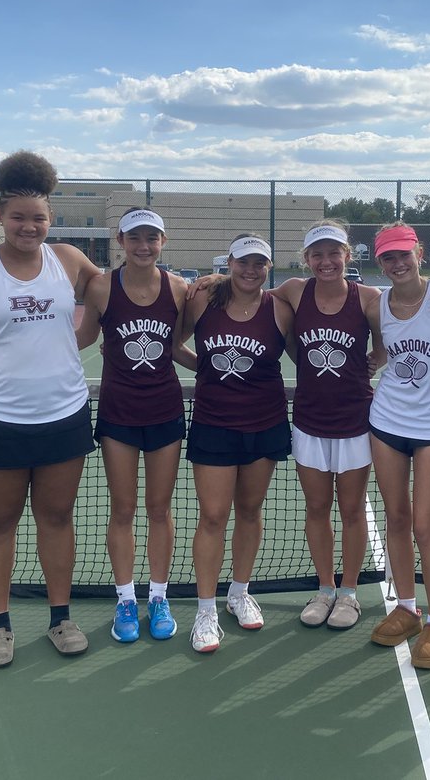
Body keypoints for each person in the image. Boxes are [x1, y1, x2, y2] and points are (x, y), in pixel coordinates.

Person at [0, 151, 102, 668]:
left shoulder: (69, 260)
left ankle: (61, 619)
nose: (28, 227)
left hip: (64, 416)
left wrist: (195, 287)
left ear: (50, 219)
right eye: (18, 217)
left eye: (38, 218)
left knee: (56, 518)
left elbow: (117, 294)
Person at [76, 207, 190, 643]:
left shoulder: (179, 288)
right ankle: (125, 599)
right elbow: (85, 337)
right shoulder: (101, 287)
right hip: (118, 415)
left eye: (152, 238)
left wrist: (217, 373)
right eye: (135, 237)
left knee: (160, 510)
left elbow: (174, 345)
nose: (144, 246)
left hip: (165, 412)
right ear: (120, 241)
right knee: (122, 510)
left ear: (163, 241)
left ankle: (158, 597)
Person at [178, 234, 294, 653]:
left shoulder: (280, 308)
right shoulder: (202, 300)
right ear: (229, 262)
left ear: (268, 267)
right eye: (243, 262)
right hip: (214, 423)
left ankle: (239, 592)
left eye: (259, 263)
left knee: (249, 511)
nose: (251, 270)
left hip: (265, 422)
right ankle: (205, 610)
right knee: (212, 516)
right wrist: (206, 367)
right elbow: (172, 344)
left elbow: (306, 355)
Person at [273, 220, 383, 630]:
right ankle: (324, 590)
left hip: (355, 421)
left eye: (334, 253)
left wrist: (376, 360)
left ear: (347, 256)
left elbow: (388, 340)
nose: (326, 261)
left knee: (352, 509)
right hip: (309, 421)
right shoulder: (293, 291)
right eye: (317, 254)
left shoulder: (368, 298)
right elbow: (249, 294)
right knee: (317, 508)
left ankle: (349, 593)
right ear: (306, 259)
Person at [365, 222, 430, 670]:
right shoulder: (377, 305)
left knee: (425, 526)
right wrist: (366, 366)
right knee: (397, 518)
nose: (398, 263)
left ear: (419, 254)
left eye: (404, 254)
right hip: (385, 421)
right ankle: (407, 608)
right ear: (379, 262)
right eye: (388, 257)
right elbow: (382, 352)